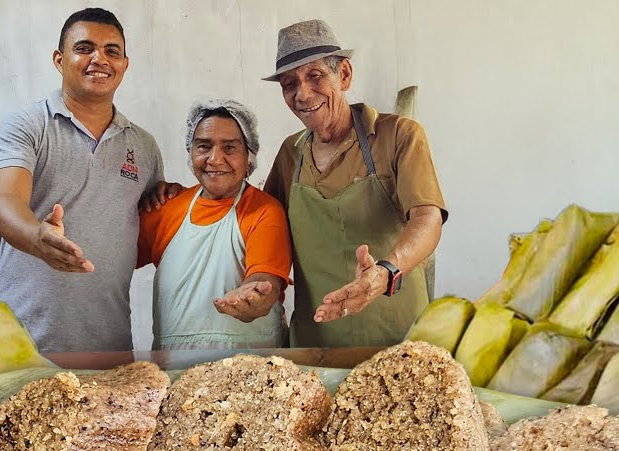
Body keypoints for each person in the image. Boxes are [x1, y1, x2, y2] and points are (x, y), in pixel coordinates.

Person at [0, 8, 165, 352]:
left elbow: (144, 228)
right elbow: (4, 201)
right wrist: (38, 237)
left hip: (111, 349)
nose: (100, 59)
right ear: (59, 59)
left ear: (125, 64)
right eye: (84, 48)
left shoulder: (143, 146)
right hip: (21, 348)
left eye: (112, 51)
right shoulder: (27, 125)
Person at [262, 19, 447, 348]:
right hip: (317, 343)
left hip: (398, 339)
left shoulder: (399, 136)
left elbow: (427, 217)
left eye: (315, 76)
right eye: (289, 84)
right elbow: (266, 231)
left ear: (344, 74)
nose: (302, 94)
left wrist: (386, 271)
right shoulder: (290, 155)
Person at [137, 100, 291, 350]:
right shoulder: (166, 208)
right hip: (175, 374)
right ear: (191, 151)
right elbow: (112, 262)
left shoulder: (263, 211)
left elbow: (265, 280)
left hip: (252, 373)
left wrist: (254, 296)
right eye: (204, 146)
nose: (215, 159)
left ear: (248, 155)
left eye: (229, 147)